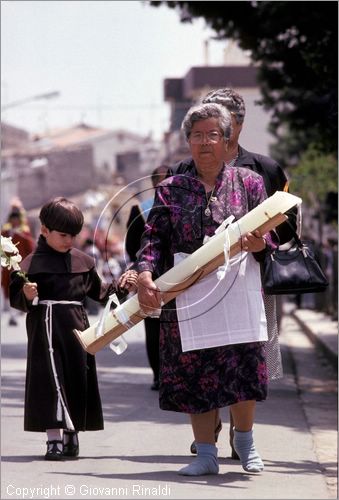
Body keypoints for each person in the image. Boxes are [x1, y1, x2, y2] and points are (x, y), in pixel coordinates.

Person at [137, 102, 276, 476]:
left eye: (212, 134)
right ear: (188, 142)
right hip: (190, 291)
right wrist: (146, 274)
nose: (204, 142)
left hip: (237, 288)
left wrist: (261, 244)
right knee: (198, 370)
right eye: (196, 135)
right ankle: (205, 454)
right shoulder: (171, 189)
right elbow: (153, 240)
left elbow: (271, 236)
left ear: (227, 139)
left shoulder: (249, 184)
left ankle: (245, 444)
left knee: (242, 368)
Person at [168, 87, 296, 459]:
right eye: (201, 129)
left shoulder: (264, 170)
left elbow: (286, 226)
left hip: (250, 278)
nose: (209, 135)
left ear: (236, 126)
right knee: (204, 360)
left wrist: (261, 240)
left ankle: (243, 437)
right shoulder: (180, 175)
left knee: (247, 358)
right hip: (198, 286)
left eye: (220, 123)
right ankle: (208, 432)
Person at [9, 197, 138, 461]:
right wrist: (27, 293)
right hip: (44, 329)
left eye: (73, 236)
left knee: (76, 378)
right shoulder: (29, 265)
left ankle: (72, 434)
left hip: (78, 330)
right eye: (63, 235)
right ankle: (53, 439)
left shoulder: (83, 262)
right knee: (48, 381)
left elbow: (101, 294)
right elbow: (17, 300)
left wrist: (123, 285)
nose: (69, 241)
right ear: (44, 230)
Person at [125, 165, 168, 390]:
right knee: (153, 327)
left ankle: (170, 374)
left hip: (178, 274)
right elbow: (132, 246)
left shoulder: (184, 206)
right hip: (151, 275)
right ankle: (158, 375)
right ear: (153, 185)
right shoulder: (140, 211)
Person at [1, 201, 35, 325]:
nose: (14, 221)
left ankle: (16, 313)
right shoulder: (5, 232)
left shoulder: (24, 232)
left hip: (20, 266)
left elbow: (30, 248)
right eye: (12, 219)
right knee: (8, 289)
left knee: (20, 287)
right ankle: (12, 314)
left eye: (16, 219)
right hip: (7, 267)